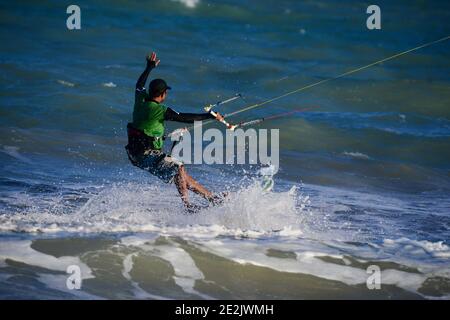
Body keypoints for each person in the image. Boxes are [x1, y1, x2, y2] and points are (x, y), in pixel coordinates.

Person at [125, 52, 224, 212]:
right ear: (163, 94)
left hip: (135, 154)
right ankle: (187, 206)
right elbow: (185, 117)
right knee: (178, 167)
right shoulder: (159, 110)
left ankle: (212, 199)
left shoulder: (141, 100)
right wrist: (210, 116)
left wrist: (149, 67)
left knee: (181, 173)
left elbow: (139, 84)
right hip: (146, 154)